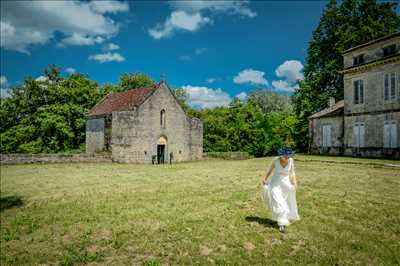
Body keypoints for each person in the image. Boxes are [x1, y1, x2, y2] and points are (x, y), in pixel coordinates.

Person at [261, 148, 300, 233]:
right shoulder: (275, 160)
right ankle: (282, 224)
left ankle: (284, 219)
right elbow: (269, 170)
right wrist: (264, 178)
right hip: (275, 184)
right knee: (279, 203)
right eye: (285, 156)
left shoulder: (291, 161)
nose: (287, 158)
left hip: (286, 184)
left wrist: (295, 183)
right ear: (280, 155)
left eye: (288, 156)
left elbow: (292, 173)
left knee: (287, 202)